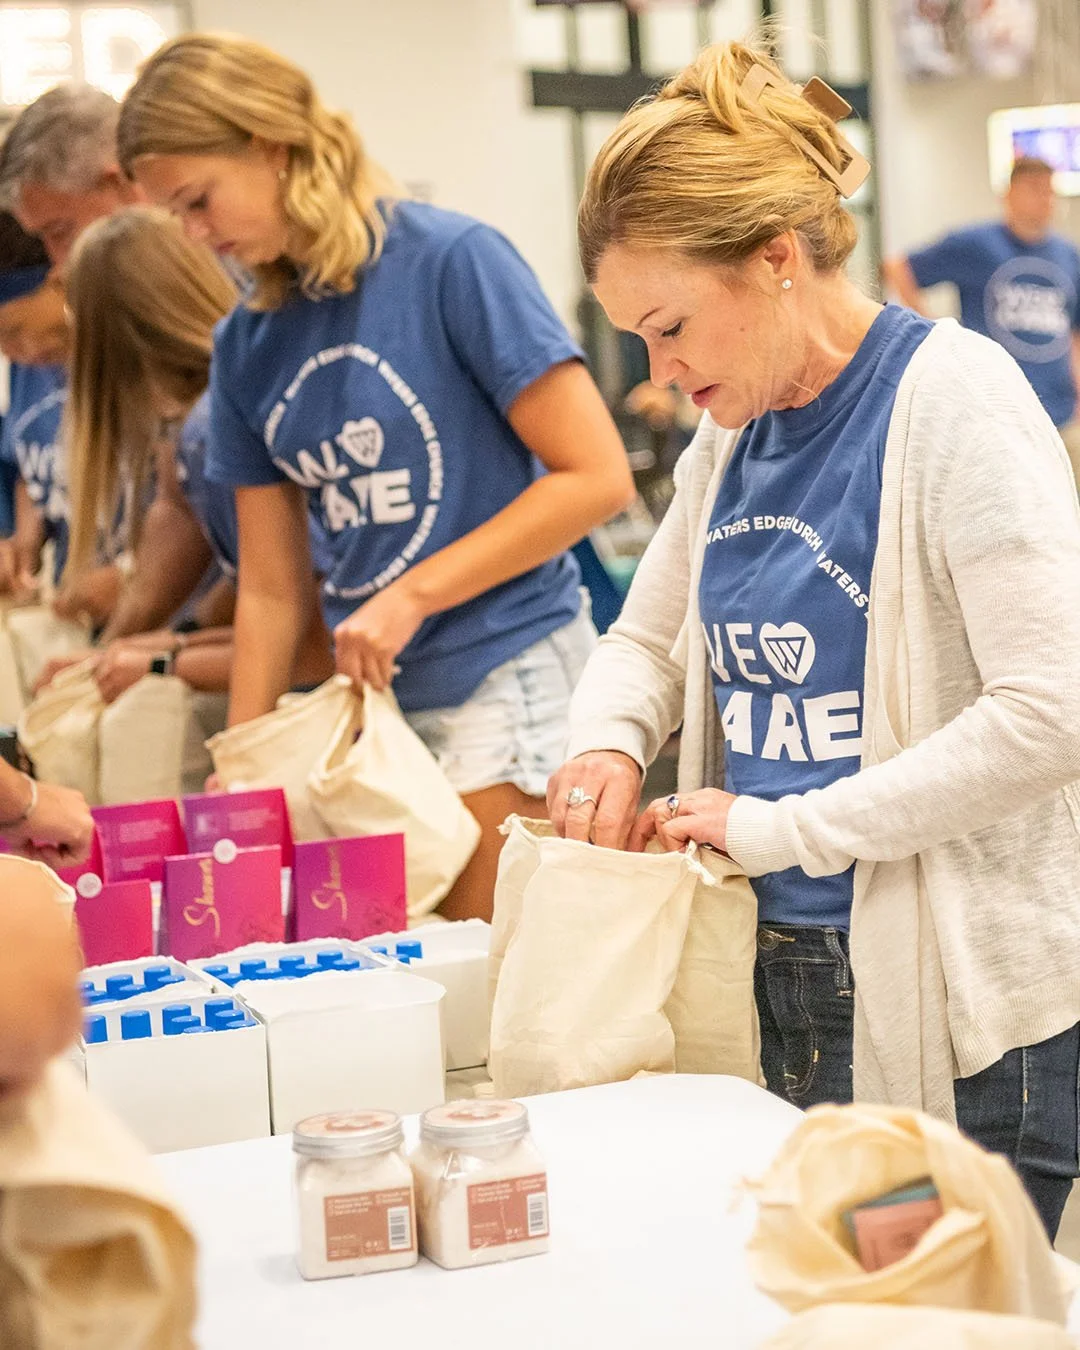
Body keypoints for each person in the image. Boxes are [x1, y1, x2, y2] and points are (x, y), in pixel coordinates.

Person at [548, 40, 1080, 1240]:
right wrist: (607, 743)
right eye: (635, 334)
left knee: (929, 1317)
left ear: (777, 258)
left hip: (952, 1001)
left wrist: (786, 828)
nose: (660, 368)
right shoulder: (730, 440)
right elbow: (646, 644)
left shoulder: (959, 402)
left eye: (673, 324)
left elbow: (1052, 715)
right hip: (782, 972)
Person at [118, 34, 635, 921]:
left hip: (504, 666)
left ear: (270, 143)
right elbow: (273, 590)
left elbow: (596, 478)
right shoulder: (246, 344)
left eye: (199, 201)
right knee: (431, 1000)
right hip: (374, 710)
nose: (198, 236)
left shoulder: (451, 261)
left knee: (499, 980)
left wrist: (411, 596)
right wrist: (246, 760)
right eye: (177, 217)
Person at [60, 205, 334, 702]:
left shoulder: (213, 435)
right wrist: (165, 644)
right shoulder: (212, 421)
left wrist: (166, 663)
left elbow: (312, 647)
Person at [0, 83, 221, 642]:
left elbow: (275, 581)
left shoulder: (222, 309)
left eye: (59, 231)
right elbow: (172, 506)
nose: (58, 263)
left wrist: (161, 643)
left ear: (120, 183)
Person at [883, 156, 1080, 480]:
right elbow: (898, 267)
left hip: (1060, 415)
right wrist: (935, 331)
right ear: (1009, 194)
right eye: (1033, 189)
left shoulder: (1067, 255)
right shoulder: (976, 244)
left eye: (1048, 191)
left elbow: (1072, 332)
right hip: (996, 414)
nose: (1043, 200)